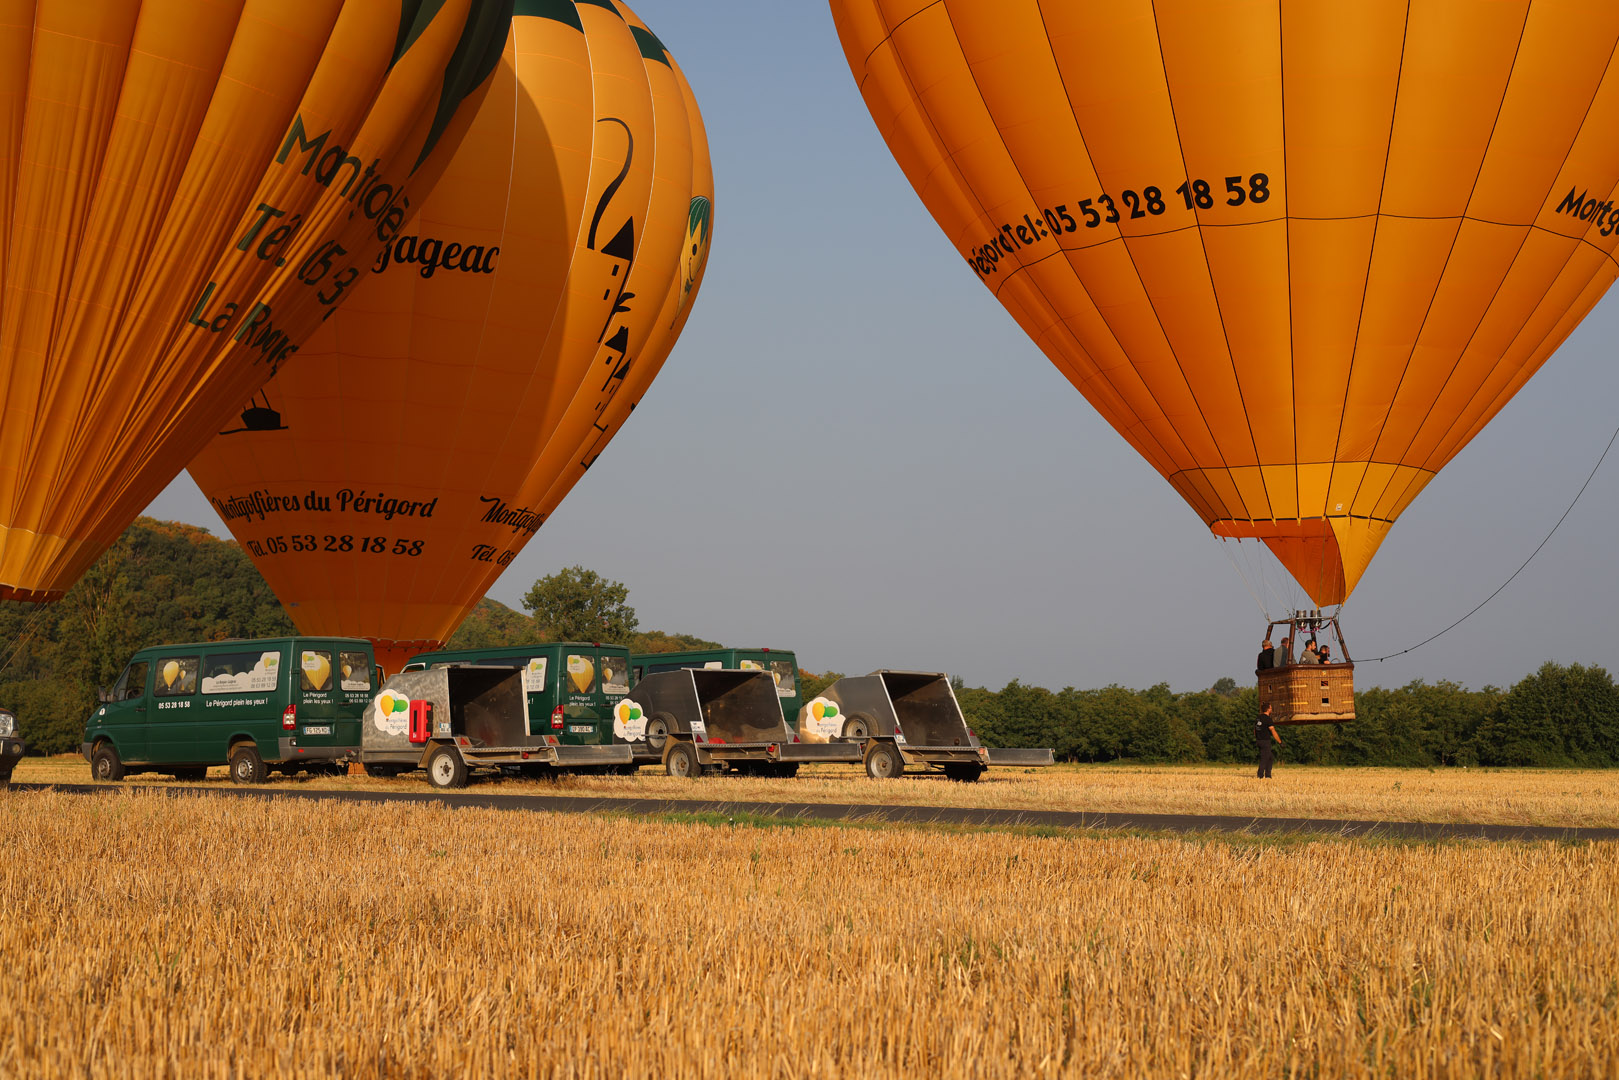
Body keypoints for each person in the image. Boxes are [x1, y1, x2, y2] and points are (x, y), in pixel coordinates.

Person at [1255, 702, 1282, 778]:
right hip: (1265, 741)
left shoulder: (1258, 718)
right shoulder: (1268, 719)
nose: (1271, 709)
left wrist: (1257, 738)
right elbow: (1273, 731)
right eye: (1271, 708)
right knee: (1264, 758)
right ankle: (1260, 775)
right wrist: (1280, 742)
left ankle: (1268, 775)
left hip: (1259, 740)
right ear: (1268, 709)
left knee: (1270, 757)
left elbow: (1255, 730)